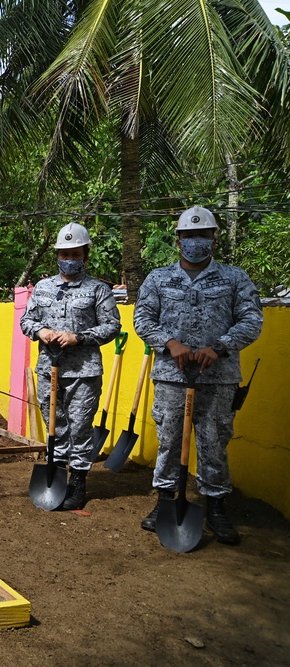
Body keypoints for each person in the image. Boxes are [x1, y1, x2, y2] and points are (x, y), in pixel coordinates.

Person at [133, 206, 263, 544]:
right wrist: (169, 342)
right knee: (170, 441)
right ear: (178, 240)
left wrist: (220, 346)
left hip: (218, 378)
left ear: (213, 239)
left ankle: (216, 506)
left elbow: (252, 320)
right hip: (171, 377)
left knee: (214, 442)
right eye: (188, 235)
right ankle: (165, 502)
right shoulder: (158, 279)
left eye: (202, 234)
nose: (195, 241)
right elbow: (142, 320)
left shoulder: (235, 279)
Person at [20, 222, 121, 509]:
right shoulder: (42, 287)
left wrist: (78, 338)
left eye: (75, 254)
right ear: (57, 256)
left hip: (84, 372)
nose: (69, 259)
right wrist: (41, 332)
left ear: (85, 255)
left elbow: (112, 326)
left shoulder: (98, 290)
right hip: (49, 369)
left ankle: (78, 484)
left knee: (80, 427)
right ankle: (57, 478)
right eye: (64, 254)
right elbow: (27, 321)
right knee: (56, 425)